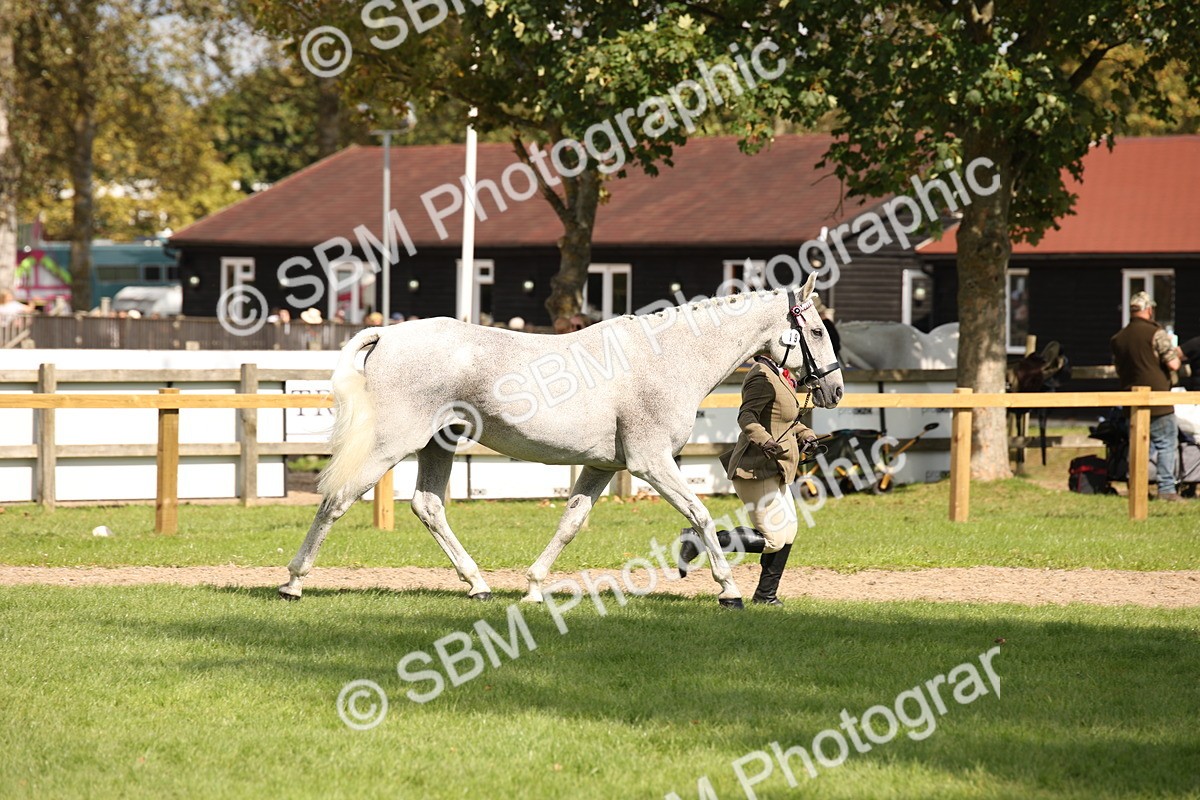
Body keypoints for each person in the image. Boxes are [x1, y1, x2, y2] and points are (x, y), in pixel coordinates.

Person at [676, 353, 820, 605]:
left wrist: (806, 434)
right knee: (773, 540)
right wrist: (765, 440)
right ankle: (698, 539)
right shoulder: (761, 376)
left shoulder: (780, 375)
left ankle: (766, 596)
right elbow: (746, 416)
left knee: (788, 533)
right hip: (755, 468)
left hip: (777, 467)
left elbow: (785, 420)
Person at [1111, 291, 1185, 501]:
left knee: (1138, 445)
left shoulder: (1118, 338)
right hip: (1158, 399)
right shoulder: (1156, 333)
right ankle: (1167, 489)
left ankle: (1137, 486)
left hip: (1130, 400)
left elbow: (1119, 368)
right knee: (1166, 444)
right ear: (1149, 310)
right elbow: (1173, 363)